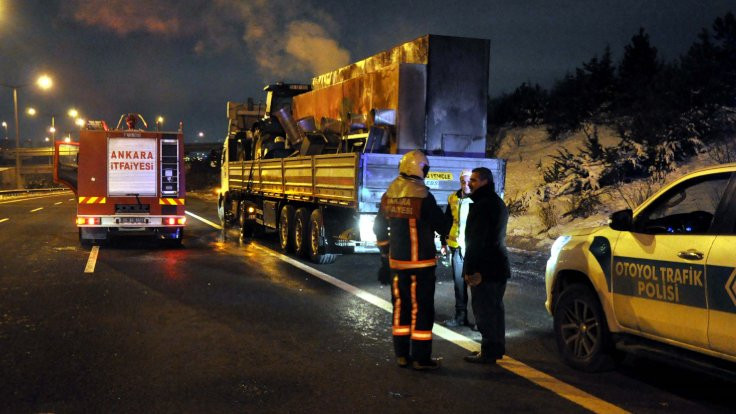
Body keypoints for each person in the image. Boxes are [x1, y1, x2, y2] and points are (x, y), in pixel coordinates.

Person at [373, 150, 451, 371]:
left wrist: (384, 254)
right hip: (421, 264)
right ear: (420, 168)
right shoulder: (422, 195)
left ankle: (401, 355)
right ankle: (420, 358)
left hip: (396, 263)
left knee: (400, 308)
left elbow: (379, 227)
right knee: (422, 310)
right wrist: (449, 216)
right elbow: (441, 225)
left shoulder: (390, 194)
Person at [462, 167, 510, 364]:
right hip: (498, 264)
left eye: (473, 180)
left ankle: (489, 351)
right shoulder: (496, 202)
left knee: (484, 310)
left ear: (484, 182)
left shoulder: (483, 205)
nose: (469, 184)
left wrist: (471, 270)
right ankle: (496, 348)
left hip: (485, 268)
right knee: (495, 309)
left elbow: (476, 241)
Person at [440, 170, 474, 328]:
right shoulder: (453, 198)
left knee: (477, 286)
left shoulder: (479, 199)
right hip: (457, 249)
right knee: (459, 285)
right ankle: (461, 316)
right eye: (463, 182)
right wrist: (443, 241)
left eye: (469, 181)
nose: (466, 185)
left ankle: (480, 321)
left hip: (474, 250)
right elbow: (447, 220)